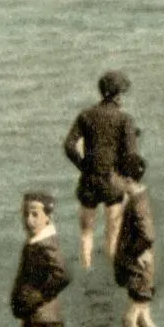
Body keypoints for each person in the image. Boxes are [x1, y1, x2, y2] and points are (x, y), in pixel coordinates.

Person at [63, 71, 141, 276]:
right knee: (113, 232)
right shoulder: (125, 119)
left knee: (86, 232)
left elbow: (69, 146)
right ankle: (111, 272)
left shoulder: (86, 115)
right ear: (117, 95)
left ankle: (86, 271)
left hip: (89, 180)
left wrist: (83, 166)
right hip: (112, 181)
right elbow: (131, 155)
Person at [11, 194, 70, 327]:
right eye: (26, 214)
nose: (29, 219)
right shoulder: (36, 244)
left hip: (42, 316)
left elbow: (63, 274)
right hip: (36, 315)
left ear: (48, 217)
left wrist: (37, 297)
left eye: (35, 214)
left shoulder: (45, 245)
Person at [112, 179, 162, 327]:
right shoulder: (138, 197)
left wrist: (135, 252)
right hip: (142, 272)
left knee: (129, 318)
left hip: (140, 273)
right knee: (143, 319)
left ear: (127, 179)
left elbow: (147, 235)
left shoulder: (138, 203)